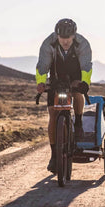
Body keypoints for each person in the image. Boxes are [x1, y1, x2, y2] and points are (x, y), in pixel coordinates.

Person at [35, 18, 93, 173]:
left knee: (77, 93)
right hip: (56, 77)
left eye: (68, 38)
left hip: (75, 75)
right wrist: (41, 83)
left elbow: (86, 66)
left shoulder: (83, 44)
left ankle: (78, 122)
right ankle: (54, 155)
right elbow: (42, 67)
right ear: (57, 35)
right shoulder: (48, 44)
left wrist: (84, 83)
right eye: (62, 38)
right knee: (53, 115)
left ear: (74, 35)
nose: (66, 41)